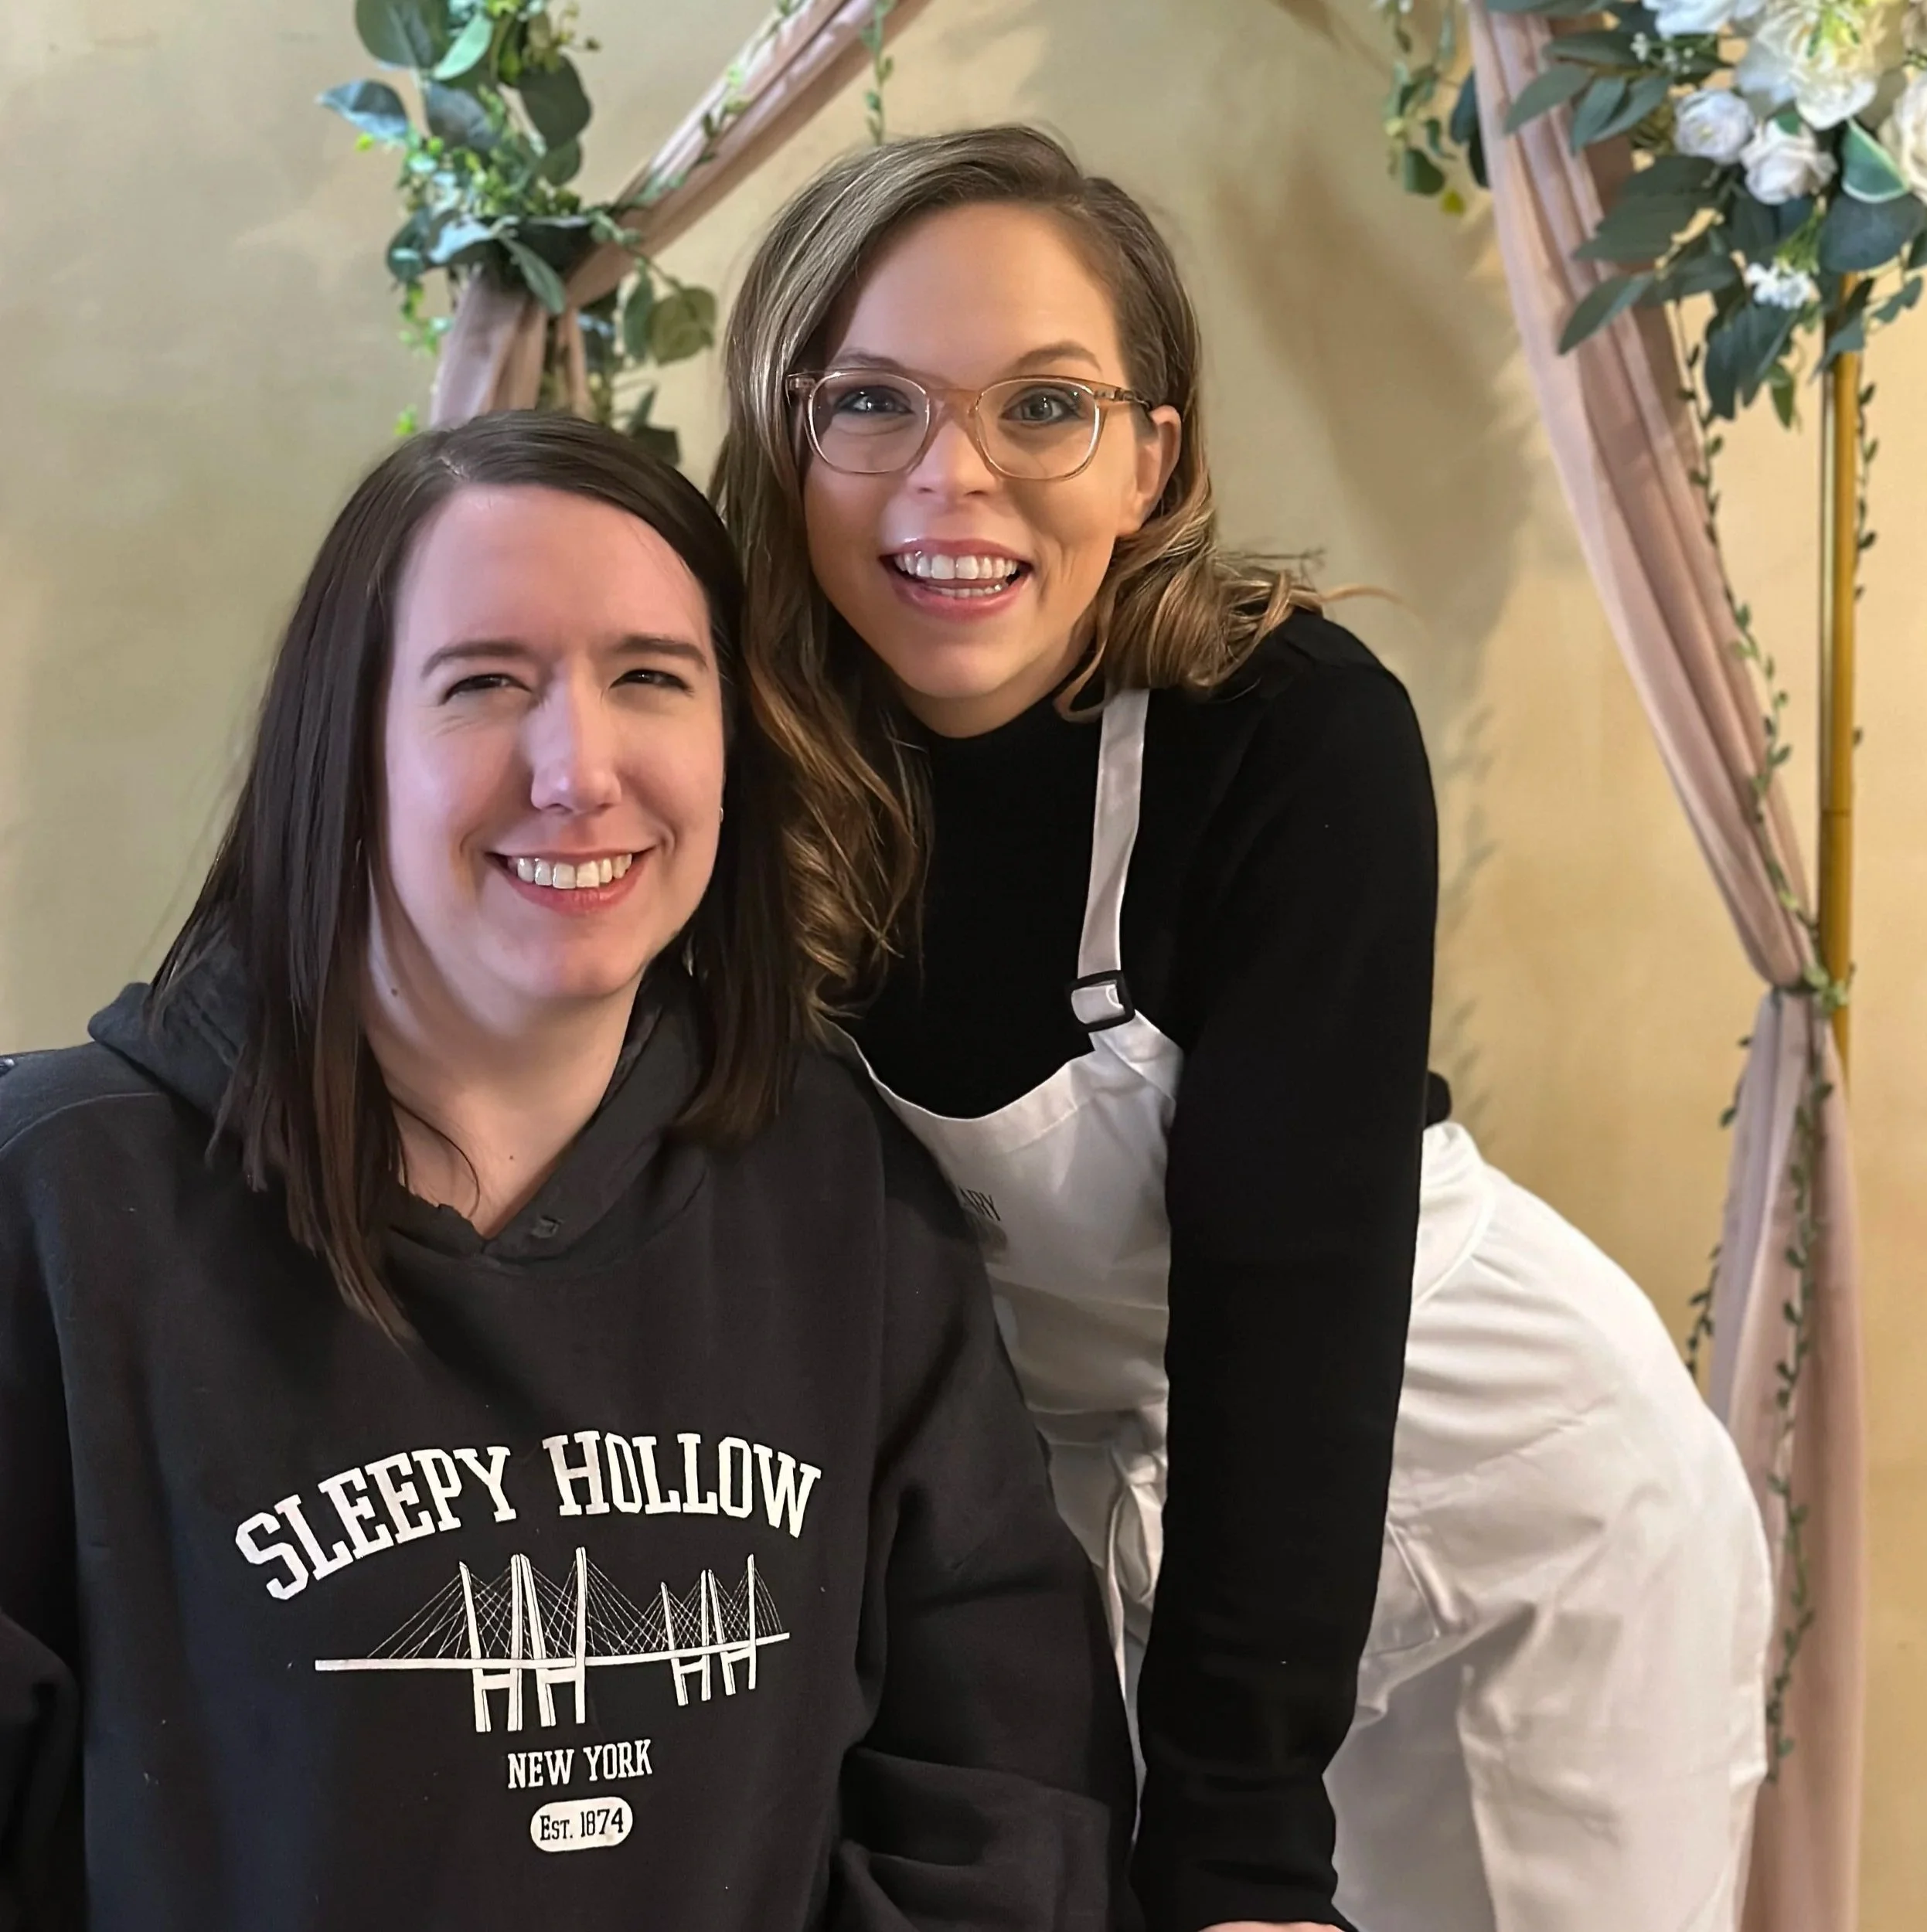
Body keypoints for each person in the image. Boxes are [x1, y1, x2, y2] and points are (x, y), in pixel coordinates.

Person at [713, 124, 1773, 1932]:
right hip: (1062, 1536)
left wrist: (1237, 1836)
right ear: (782, 432)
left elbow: (1286, 1315)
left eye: (1042, 407)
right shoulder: (713, 746)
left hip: (1483, 1500)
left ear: (1150, 457)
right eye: (871, 400)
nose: (948, 481)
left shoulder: (1278, 733)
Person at [0, 412, 1136, 1930]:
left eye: (651, 676)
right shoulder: (56, 1210)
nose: (579, 769)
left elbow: (1005, 1776)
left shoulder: (841, 1196)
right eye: (483, 683)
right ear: (344, 748)